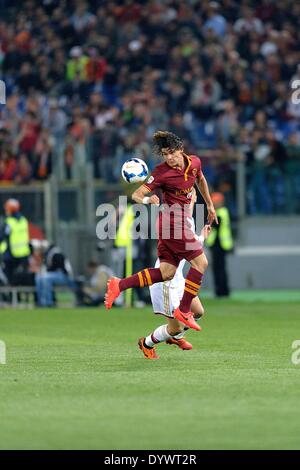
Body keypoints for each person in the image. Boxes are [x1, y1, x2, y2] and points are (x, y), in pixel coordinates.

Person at [105, 131, 218, 334]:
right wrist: (149, 200)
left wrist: (209, 206)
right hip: (172, 223)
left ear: (181, 150)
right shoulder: (161, 172)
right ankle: (183, 310)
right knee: (201, 263)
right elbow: (138, 194)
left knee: (167, 273)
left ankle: (119, 284)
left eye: (171, 153)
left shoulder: (195, 163)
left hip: (175, 226)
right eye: (165, 154)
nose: (168, 158)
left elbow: (200, 180)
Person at [139, 188, 211, 359]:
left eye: (190, 195)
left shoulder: (188, 220)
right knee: (175, 327)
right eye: (185, 196)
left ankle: (175, 337)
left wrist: (200, 237)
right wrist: (154, 205)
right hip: (166, 280)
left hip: (178, 278)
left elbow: (190, 246)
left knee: (199, 312)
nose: (188, 198)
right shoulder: (171, 220)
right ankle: (147, 343)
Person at [206, 192, 233, 297]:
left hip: (220, 245)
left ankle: (222, 291)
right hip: (217, 245)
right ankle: (221, 291)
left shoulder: (221, 212)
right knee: (219, 269)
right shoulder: (221, 212)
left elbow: (216, 224)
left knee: (220, 269)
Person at [0, 198, 31, 284]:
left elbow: (2, 236)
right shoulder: (23, 220)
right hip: (24, 254)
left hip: (10, 255)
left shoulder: (8, 222)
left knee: (10, 279)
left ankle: (10, 296)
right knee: (23, 278)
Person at [35, 242, 74, 307]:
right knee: (38, 277)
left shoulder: (56, 254)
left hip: (65, 276)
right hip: (56, 275)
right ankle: (40, 301)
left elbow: (60, 269)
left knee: (46, 278)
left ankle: (49, 302)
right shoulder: (49, 255)